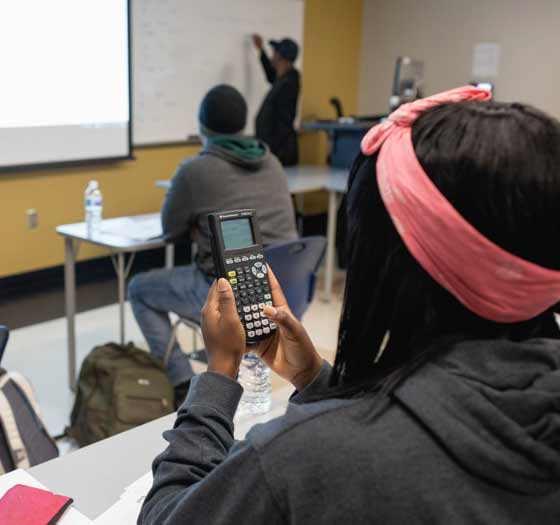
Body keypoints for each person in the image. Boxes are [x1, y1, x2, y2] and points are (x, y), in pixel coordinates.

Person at [138, 87, 560, 524]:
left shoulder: (302, 456)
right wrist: (315, 380)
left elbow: (165, 518)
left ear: (391, 264)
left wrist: (219, 375)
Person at [128, 84, 297, 405]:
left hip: (229, 295)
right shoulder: (272, 161)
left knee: (138, 288)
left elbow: (169, 229)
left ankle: (179, 381)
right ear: (243, 123)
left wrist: (194, 227)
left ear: (202, 126)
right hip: (284, 294)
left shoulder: (195, 170)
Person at [253, 34, 300, 166]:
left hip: (280, 154)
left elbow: (283, 122)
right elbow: (271, 75)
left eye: (274, 52)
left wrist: (270, 151)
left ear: (280, 56)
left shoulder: (289, 83)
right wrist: (261, 51)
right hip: (275, 153)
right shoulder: (284, 79)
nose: (272, 55)